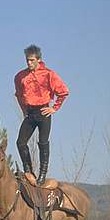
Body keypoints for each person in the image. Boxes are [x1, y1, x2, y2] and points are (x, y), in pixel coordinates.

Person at [15, 44, 69, 185]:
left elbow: (63, 91)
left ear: (38, 60)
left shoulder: (49, 74)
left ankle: (42, 174)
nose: (29, 63)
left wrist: (54, 108)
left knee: (43, 142)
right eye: (27, 60)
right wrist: (24, 110)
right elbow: (19, 95)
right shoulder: (20, 76)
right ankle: (28, 170)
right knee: (20, 142)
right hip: (30, 113)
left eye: (32, 60)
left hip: (44, 111)